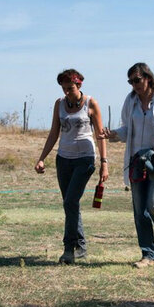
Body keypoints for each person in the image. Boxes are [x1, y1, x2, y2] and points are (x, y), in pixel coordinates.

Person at [105, 62, 154, 268]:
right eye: (130, 82)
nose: (134, 85)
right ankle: (148, 255)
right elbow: (126, 131)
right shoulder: (130, 100)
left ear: (147, 78)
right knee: (140, 211)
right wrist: (113, 135)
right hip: (137, 161)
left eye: (137, 80)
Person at [35, 69, 109, 264]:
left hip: (84, 159)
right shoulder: (59, 104)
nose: (67, 91)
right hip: (63, 159)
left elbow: (100, 135)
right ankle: (81, 246)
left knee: (70, 202)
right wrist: (42, 158)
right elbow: (54, 133)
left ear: (79, 85)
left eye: (70, 88)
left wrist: (104, 163)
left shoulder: (91, 103)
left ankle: (69, 248)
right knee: (70, 204)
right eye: (64, 88)